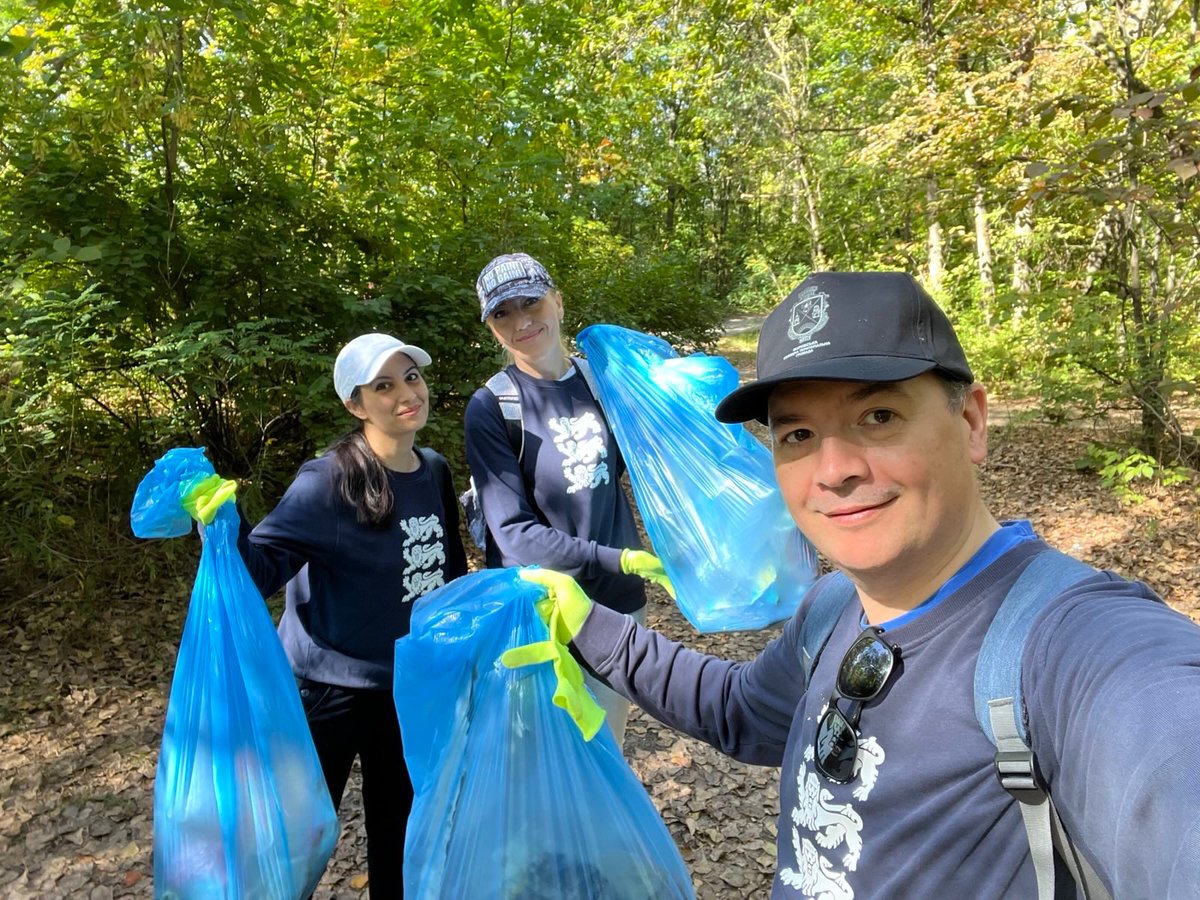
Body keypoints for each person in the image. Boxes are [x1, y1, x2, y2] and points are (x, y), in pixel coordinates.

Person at [517, 271, 1200, 898]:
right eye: (799, 433)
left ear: (970, 422)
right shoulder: (834, 606)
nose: (834, 468)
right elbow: (743, 713)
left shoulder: (1076, 650)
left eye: (878, 418)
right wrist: (588, 625)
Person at [236, 332, 468, 898]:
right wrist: (223, 523)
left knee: (402, 833)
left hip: (407, 688)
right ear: (355, 404)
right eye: (382, 386)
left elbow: (450, 576)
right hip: (327, 692)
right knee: (298, 838)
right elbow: (259, 572)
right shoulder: (327, 480)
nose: (405, 394)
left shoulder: (433, 469)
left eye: (410, 376)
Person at [463, 252, 671, 747]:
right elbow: (512, 532)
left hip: (615, 609)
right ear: (492, 328)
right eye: (502, 313)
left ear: (557, 301)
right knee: (541, 764)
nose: (521, 320)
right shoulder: (493, 406)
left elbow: (634, 470)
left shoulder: (604, 383)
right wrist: (617, 557)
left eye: (530, 302)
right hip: (541, 614)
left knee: (605, 753)